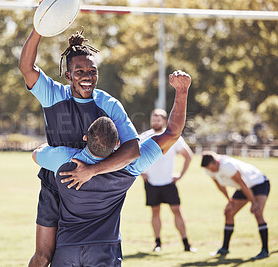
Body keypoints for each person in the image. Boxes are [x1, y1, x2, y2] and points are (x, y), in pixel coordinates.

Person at [32, 70, 191, 266]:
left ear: (85, 138)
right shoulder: (132, 164)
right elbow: (173, 133)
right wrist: (182, 91)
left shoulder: (64, 160)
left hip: (67, 250)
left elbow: (36, 154)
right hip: (105, 251)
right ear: (118, 142)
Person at [19, 25, 141, 266]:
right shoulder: (54, 94)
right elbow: (26, 67)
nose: (87, 76)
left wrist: (92, 170)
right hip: (54, 185)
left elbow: (132, 149)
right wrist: (40, 27)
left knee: (83, 254)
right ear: (68, 75)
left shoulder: (109, 104)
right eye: (80, 71)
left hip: (89, 190)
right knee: (43, 256)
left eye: (92, 71)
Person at [139, 109, 196, 253]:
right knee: (155, 211)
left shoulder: (173, 136)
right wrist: (141, 173)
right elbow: (133, 155)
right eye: (154, 118)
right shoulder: (145, 136)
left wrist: (180, 175)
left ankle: (186, 244)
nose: (156, 121)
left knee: (176, 210)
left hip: (169, 183)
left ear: (164, 121)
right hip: (151, 183)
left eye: (159, 118)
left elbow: (188, 156)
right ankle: (157, 243)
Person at [201, 151, 270, 260]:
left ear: (216, 162)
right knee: (228, 212)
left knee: (258, 212)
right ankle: (225, 248)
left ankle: (265, 250)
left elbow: (243, 183)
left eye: (212, 168)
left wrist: (253, 202)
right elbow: (220, 185)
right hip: (242, 187)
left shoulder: (227, 165)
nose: (211, 171)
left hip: (258, 183)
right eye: (209, 169)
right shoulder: (208, 169)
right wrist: (229, 200)